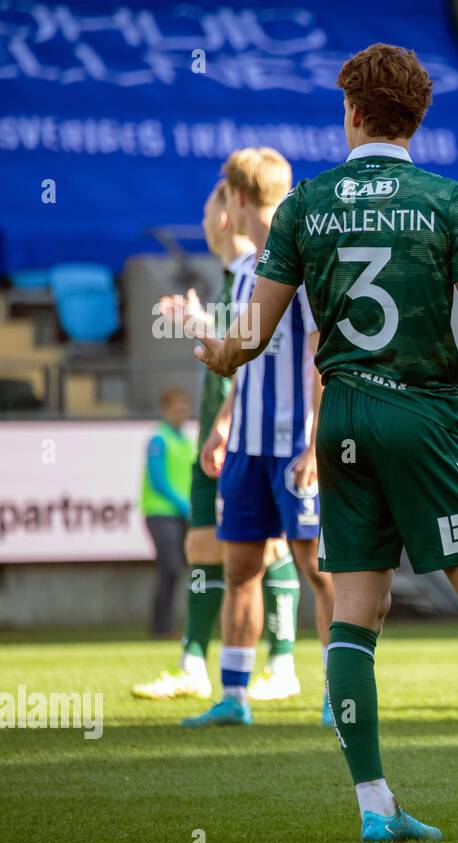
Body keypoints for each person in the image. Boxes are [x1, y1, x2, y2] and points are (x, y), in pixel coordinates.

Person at [193, 44, 458, 843]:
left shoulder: (304, 207)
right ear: (416, 118)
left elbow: (249, 338)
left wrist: (217, 353)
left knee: (356, 616)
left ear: (354, 112)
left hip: (343, 424)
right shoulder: (447, 199)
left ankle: (375, 807)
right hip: (422, 419)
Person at [164, 147, 335, 727]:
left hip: (293, 449)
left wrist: (315, 445)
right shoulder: (243, 277)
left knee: (319, 570)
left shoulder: (303, 270)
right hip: (245, 449)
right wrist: (222, 424)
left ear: (238, 200)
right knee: (241, 570)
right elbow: (247, 364)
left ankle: (341, 693)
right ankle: (234, 695)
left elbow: (319, 364)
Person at [133, 178, 303, 701]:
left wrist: (199, 325)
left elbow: (256, 354)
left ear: (228, 213)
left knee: (270, 549)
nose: (205, 219)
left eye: (209, 208)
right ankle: (201, 666)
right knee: (205, 546)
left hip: (257, 436)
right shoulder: (233, 278)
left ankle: (281, 664)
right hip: (226, 429)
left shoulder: (262, 275)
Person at [141, 387, 195, 638]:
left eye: (184, 407)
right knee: (170, 567)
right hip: (161, 513)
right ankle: (160, 627)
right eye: (176, 407)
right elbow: (158, 482)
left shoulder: (186, 442)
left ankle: (190, 624)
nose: (181, 412)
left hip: (183, 514)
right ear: (165, 410)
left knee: (192, 568)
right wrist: (185, 506)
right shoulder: (158, 439)